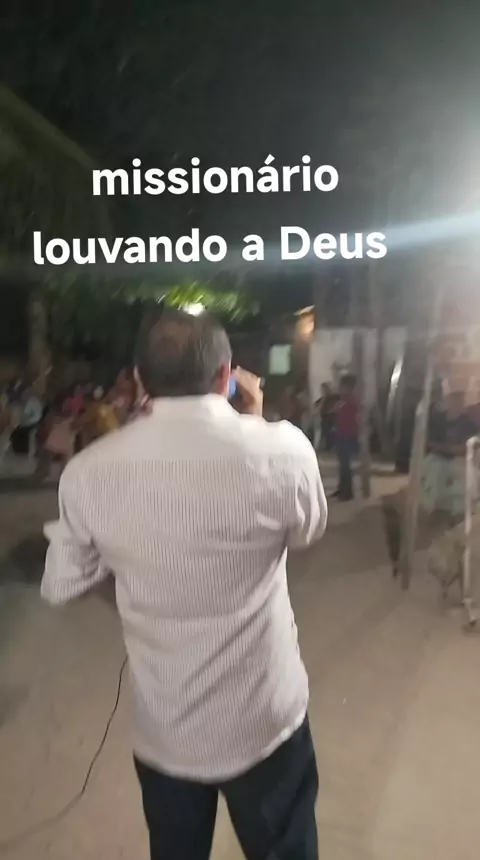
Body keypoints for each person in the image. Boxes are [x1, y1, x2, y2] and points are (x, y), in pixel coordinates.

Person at [42, 309, 327, 860]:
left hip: (166, 732)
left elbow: (62, 583)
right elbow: (307, 532)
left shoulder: (89, 472)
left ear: (140, 380)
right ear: (226, 376)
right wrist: (257, 421)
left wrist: (138, 589)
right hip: (265, 720)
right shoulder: (284, 451)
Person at [421, 389, 476, 522]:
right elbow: (429, 443)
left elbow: (466, 448)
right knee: (433, 473)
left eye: (460, 401)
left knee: (468, 478)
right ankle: (431, 509)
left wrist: (451, 449)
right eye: (455, 400)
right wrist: (449, 448)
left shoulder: (467, 423)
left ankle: (458, 511)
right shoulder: (438, 420)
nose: (458, 404)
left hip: (458, 460)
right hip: (437, 458)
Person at [332, 374, 359, 501]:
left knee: (345, 464)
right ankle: (342, 488)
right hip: (341, 433)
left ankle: (347, 492)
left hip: (347, 435)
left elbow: (352, 420)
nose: (340, 388)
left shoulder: (351, 401)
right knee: (342, 463)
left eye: (342, 386)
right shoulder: (343, 400)